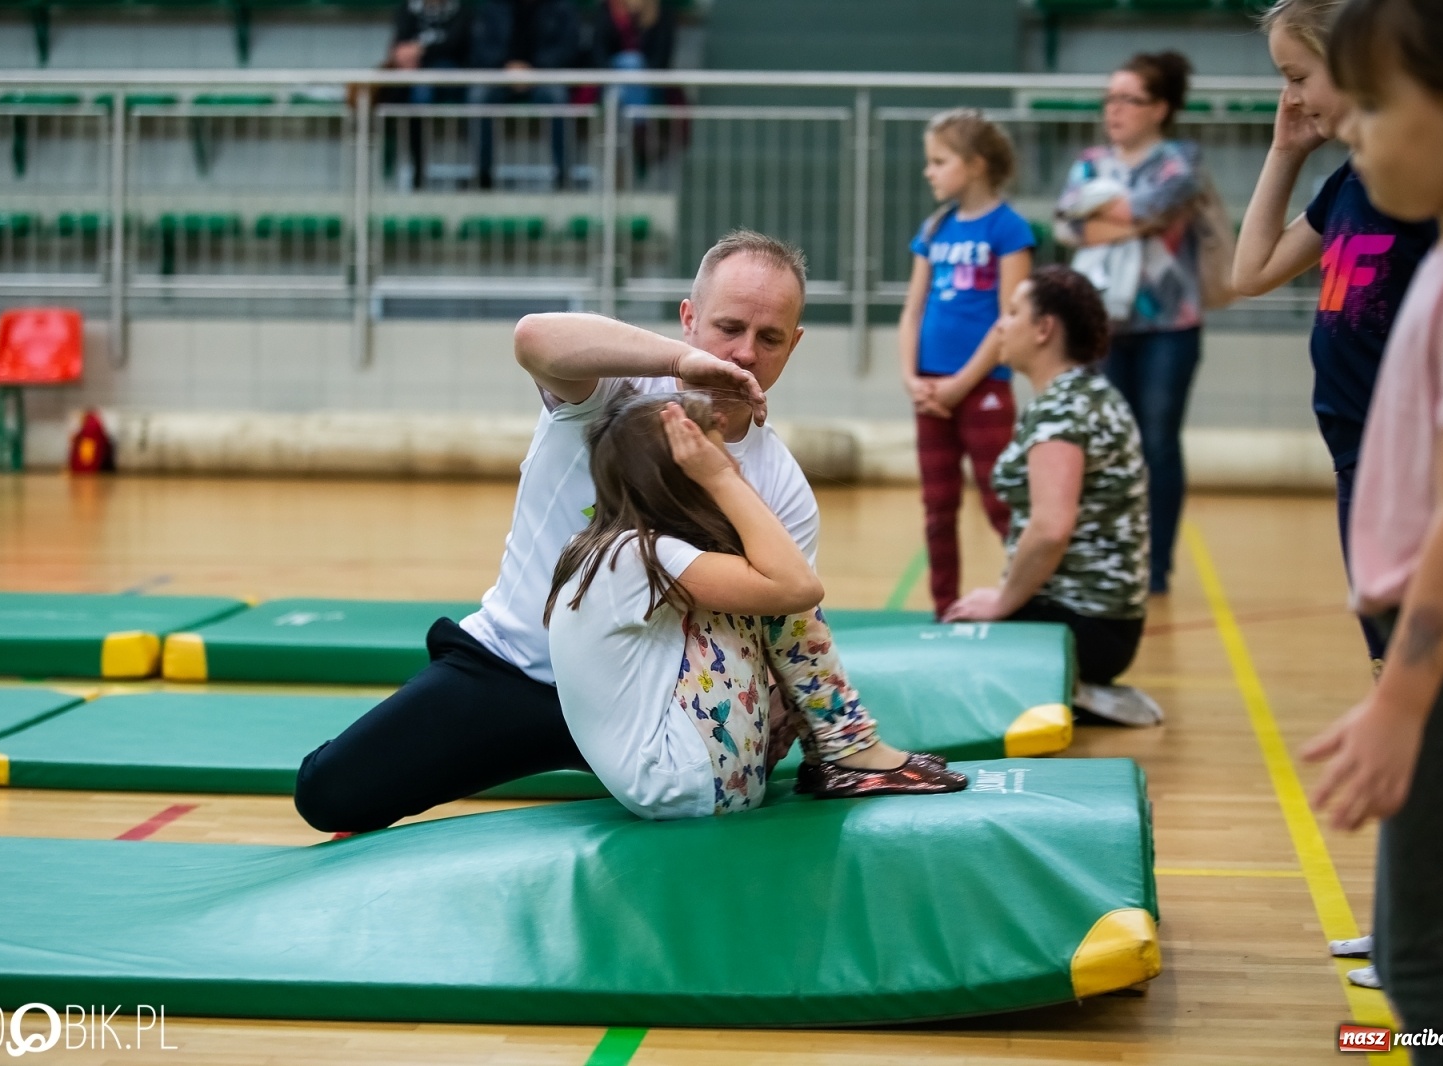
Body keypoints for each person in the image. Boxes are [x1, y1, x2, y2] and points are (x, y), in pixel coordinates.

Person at [294, 230, 965, 834]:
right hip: (512, 671)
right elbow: (533, 336)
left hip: (653, 705)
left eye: (769, 339)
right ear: (689, 317)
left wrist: (788, 719)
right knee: (330, 795)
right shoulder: (616, 387)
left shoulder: (780, 482)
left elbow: (787, 611)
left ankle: (846, 748)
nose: (744, 353)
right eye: (728, 327)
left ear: (794, 344)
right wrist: (683, 367)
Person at [1302, 1, 1443, 1062]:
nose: (1350, 128)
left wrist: (1404, 700)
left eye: (1376, 106)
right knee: (1430, 954)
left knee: (1429, 968)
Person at [547, 390, 962, 819]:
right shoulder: (639, 556)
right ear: (678, 480)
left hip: (683, 775)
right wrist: (721, 480)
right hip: (688, 777)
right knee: (775, 589)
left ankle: (842, 745)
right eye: (716, 459)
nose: (735, 467)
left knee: (763, 579)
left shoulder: (604, 546)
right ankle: (849, 747)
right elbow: (798, 586)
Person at [1232, 0, 1436, 679]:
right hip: (1356, 450)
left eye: (1298, 76)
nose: (1289, 98)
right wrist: (1285, 153)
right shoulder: (1350, 180)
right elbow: (1252, 271)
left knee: (1420, 655)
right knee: (1387, 652)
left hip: (1417, 455)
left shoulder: (1421, 182)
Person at [943, 265, 1160, 728]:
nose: (1001, 324)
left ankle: (1076, 688)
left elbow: (1051, 527)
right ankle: (1076, 689)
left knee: (945, 661)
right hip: (1101, 621)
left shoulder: (1063, 407)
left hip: (1082, 625)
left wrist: (1003, 601)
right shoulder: (1085, 394)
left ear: (1044, 329)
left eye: (1014, 312)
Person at [1055, 51, 1204, 596]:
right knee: (1105, 445)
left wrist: (1098, 215)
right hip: (1102, 326)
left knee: (1159, 443)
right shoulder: (1090, 160)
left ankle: (1157, 566)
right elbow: (1066, 228)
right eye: (1110, 98)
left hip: (1170, 324)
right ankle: (1108, 562)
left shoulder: (1181, 161)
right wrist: (1126, 218)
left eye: (1129, 99)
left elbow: (1155, 207)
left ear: (1160, 108)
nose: (1114, 109)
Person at [898, 108, 1033, 620]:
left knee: (1001, 501)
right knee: (937, 507)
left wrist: (960, 384)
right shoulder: (934, 228)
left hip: (982, 387)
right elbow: (912, 310)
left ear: (975, 165)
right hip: (931, 390)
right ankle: (944, 607)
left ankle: (1019, 596)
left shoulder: (1009, 229)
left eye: (939, 161)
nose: (929, 171)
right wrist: (912, 377)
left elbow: (1008, 320)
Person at [467, 0, 583, 189]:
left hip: (543, 75)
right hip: (501, 74)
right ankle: (483, 176)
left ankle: (563, 176)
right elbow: (479, 48)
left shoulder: (561, 7)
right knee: (478, 96)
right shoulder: (492, 6)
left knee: (557, 97)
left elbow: (569, 47)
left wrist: (534, 69)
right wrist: (507, 67)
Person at [386, 0, 471, 190]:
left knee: (472, 96)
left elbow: (457, 45)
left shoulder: (461, 10)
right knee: (414, 92)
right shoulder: (408, 9)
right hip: (415, 73)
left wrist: (422, 50)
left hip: (452, 74)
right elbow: (399, 44)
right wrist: (403, 56)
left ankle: (476, 172)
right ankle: (417, 169)